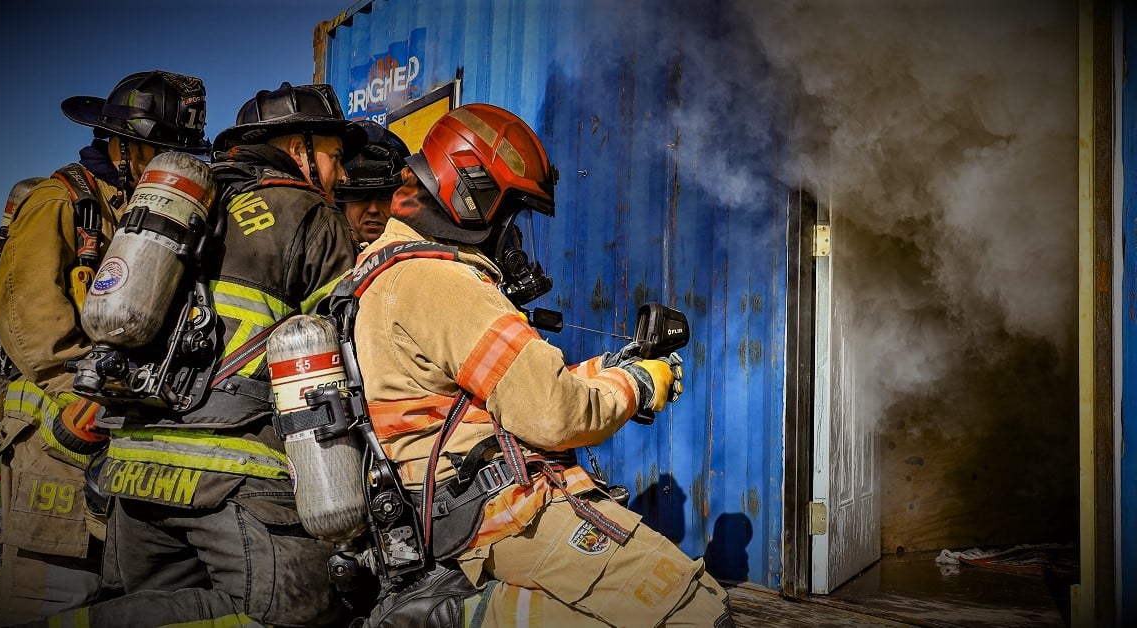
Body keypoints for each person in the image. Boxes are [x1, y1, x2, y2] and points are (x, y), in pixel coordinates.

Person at [350, 103, 733, 626]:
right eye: (511, 214)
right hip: (504, 516)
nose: (513, 235)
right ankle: (464, 618)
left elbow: (494, 399)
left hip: (444, 514)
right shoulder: (441, 283)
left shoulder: (380, 274)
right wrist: (637, 385)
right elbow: (553, 414)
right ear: (473, 194)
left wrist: (611, 366)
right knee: (697, 610)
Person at [37, 82, 367, 628]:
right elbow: (353, 349)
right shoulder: (308, 214)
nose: (341, 174)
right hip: (240, 478)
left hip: (135, 474)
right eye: (333, 156)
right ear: (299, 146)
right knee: (296, 615)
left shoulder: (180, 203)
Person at [0, 70, 210, 626]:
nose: (164, 161)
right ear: (121, 141)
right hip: (57, 430)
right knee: (57, 590)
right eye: (156, 148)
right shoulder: (61, 202)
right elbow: (28, 318)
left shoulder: (157, 211)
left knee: (119, 593)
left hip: (119, 433)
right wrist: (79, 394)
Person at [335, 120, 411, 244]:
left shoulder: (418, 256)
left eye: (385, 196)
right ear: (342, 206)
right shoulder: (322, 255)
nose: (373, 209)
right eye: (360, 196)